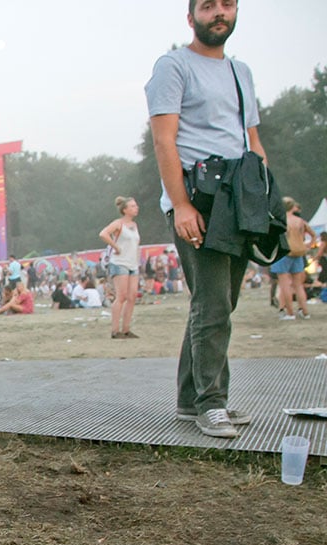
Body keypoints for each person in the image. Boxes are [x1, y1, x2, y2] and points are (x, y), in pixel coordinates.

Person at [146, 0, 266, 438]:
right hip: (199, 196)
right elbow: (164, 139)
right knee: (213, 304)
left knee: (217, 303)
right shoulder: (173, 66)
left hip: (240, 197)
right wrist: (181, 205)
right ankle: (212, 404)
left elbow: (252, 139)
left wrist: (266, 200)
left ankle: (188, 398)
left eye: (227, 5)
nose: (220, 13)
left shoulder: (241, 72)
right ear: (191, 15)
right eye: (209, 5)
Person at [99, 196, 141, 338]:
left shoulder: (135, 226)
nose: (136, 208)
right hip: (119, 262)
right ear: (125, 210)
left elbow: (136, 244)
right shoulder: (119, 223)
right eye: (133, 206)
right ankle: (115, 330)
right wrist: (115, 247)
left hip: (133, 263)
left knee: (132, 295)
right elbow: (103, 234)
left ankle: (126, 329)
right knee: (121, 296)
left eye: (136, 206)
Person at [270, 197, 315, 320]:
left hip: (284, 253)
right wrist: (308, 246)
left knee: (285, 285)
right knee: (298, 285)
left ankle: (290, 313)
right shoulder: (300, 221)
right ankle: (305, 312)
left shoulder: (281, 220)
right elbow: (313, 234)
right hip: (298, 253)